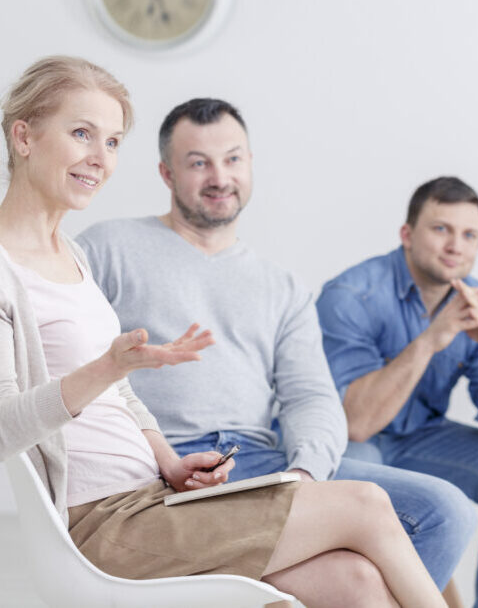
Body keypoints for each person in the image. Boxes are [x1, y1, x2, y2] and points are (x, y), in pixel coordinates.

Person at [0, 56, 447, 608]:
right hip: (102, 523)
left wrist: (169, 462)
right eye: (81, 133)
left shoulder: (70, 255)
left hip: (152, 496)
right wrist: (109, 367)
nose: (101, 158)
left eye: (112, 141)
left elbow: (119, 394)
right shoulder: (13, 266)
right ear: (24, 136)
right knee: (367, 505)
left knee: (354, 580)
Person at [316, 176, 478, 608]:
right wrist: (429, 341)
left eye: (469, 235)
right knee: (363, 481)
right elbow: (356, 423)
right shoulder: (350, 296)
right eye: (441, 229)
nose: (456, 246)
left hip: (421, 439)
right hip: (348, 442)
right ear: (407, 234)